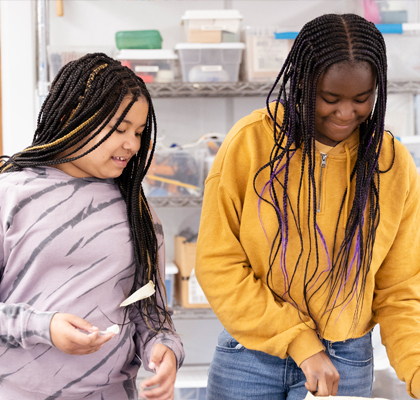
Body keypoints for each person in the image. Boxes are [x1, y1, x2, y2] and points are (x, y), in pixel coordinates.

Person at [196, 13, 420, 400]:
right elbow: (217, 263)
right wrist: (301, 342)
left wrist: (416, 369)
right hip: (250, 355)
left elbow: (400, 289)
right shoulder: (251, 142)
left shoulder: (391, 163)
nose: (346, 113)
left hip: (344, 361)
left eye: (362, 99)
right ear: (301, 83)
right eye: (330, 99)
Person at [0, 53, 184, 399]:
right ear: (73, 117)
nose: (132, 144)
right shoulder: (10, 195)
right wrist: (44, 326)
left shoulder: (137, 211)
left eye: (140, 132)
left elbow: (151, 309)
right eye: (119, 129)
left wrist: (165, 348)